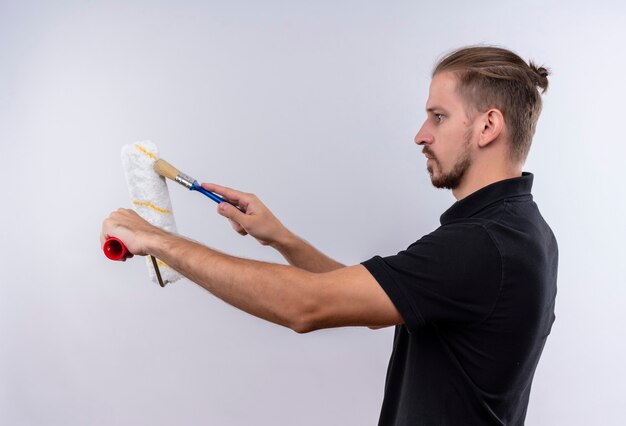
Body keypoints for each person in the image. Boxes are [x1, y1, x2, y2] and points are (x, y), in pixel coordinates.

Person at [101, 45, 558, 425]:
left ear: (487, 126)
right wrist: (281, 238)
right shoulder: (520, 230)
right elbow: (378, 308)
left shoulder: (482, 245)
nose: (420, 135)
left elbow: (305, 306)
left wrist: (158, 240)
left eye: (438, 116)